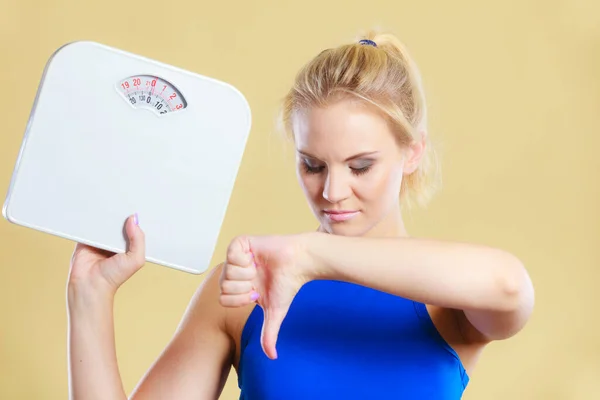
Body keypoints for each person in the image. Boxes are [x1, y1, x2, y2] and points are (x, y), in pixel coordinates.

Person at [66, 30, 535, 400]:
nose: (332, 192)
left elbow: (511, 286)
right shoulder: (243, 290)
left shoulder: (447, 298)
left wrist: (310, 255)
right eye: (312, 165)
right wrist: (90, 297)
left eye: (360, 166)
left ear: (412, 153)